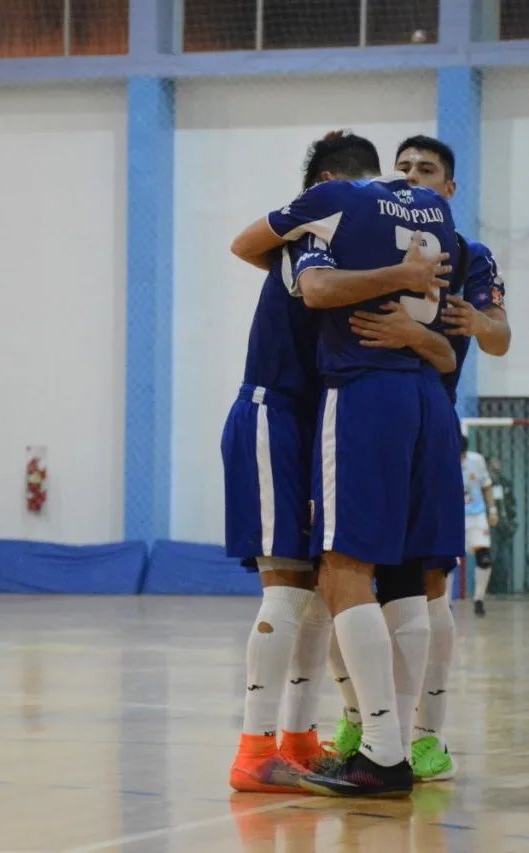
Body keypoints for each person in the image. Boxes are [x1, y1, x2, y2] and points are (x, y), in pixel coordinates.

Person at [232, 131, 464, 796]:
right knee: (310, 583)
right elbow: (455, 350)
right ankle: (278, 743)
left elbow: (271, 259)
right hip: (285, 413)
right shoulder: (435, 233)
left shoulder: (328, 224)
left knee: (332, 581)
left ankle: (323, 739)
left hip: (341, 408)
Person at [326, 135, 510, 783]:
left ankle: (425, 737)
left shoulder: (469, 254)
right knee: (345, 574)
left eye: (425, 169)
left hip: (429, 417)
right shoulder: (369, 237)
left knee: (427, 579)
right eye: (401, 167)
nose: (410, 176)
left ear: (448, 188)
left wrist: (469, 324)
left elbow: (499, 337)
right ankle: (365, 721)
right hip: (367, 416)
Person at [461, 435, 499, 615]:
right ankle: (445, 602)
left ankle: (479, 599)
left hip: (476, 515)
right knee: (446, 560)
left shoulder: (476, 460)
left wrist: (492, 510)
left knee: (484, 558)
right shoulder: (443, 461)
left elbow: (486, 485)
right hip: (454, 516)